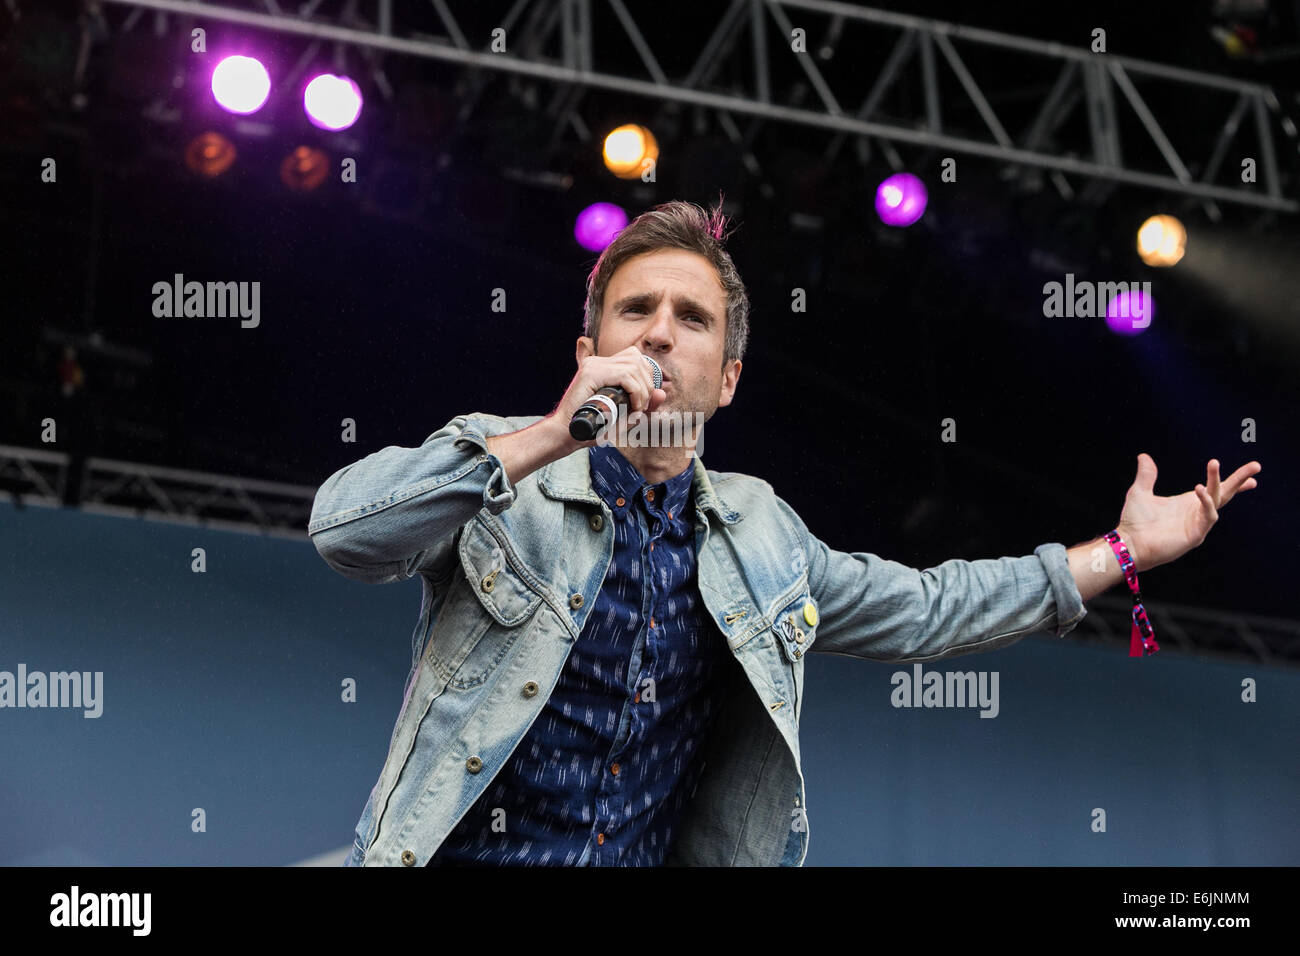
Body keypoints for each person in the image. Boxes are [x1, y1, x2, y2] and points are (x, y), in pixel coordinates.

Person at [308, 199, 1261, 867]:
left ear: (726, 377)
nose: (658, 335)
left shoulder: (763, 539)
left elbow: (928, 610)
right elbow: (347, 532)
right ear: (589, 349)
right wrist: (554, 435)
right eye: (635, 311)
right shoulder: (499, 468)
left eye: (691, 318)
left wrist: (1123, 553)